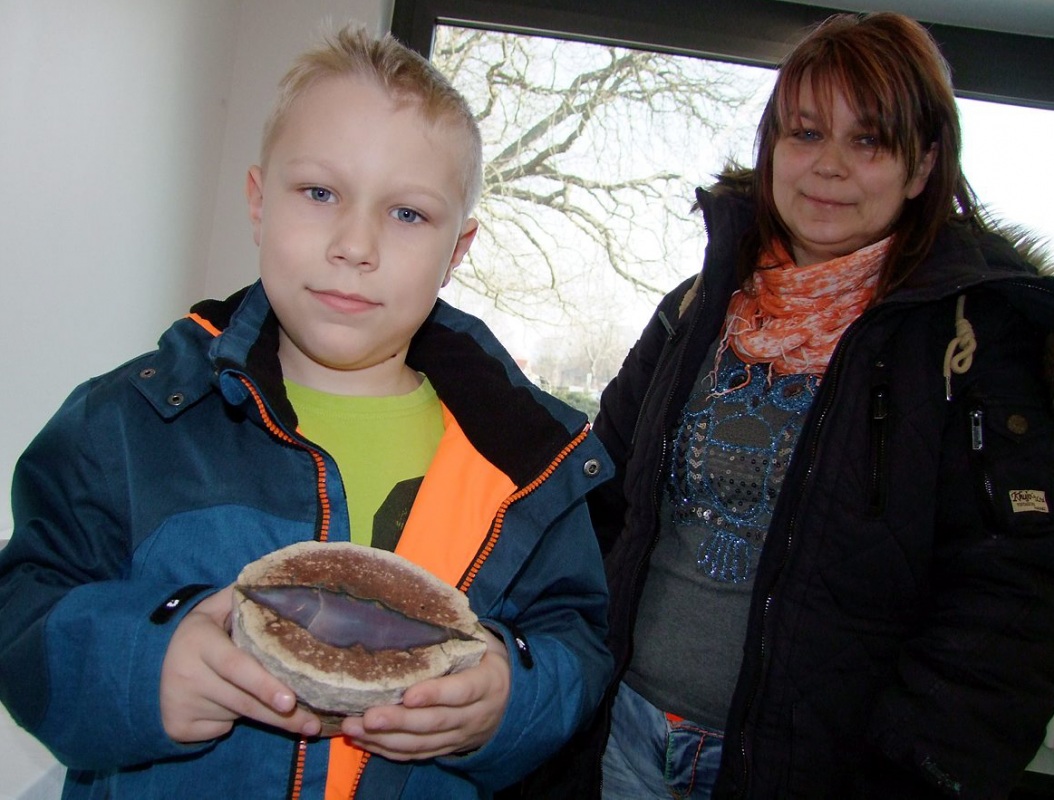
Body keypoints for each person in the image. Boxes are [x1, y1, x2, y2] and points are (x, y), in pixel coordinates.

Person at [0, 23, 614, 800]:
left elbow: (575, 642)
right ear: (259, 202)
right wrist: (144, 664)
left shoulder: (525, 462)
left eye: (408, 215)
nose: (354, 244)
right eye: (320, 193)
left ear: (457, 251)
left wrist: (507, 700)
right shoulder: (129, 423)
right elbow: (23, 610)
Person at [529, 11, 1054, 800]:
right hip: (623, 739)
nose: (828, 168)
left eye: (869, 140)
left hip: (812, 774)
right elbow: (599, 495)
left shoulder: (973, 343)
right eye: (805, 134)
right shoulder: (697, 306)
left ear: (922, 166)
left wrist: (908, 776)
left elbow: (1007, 608)